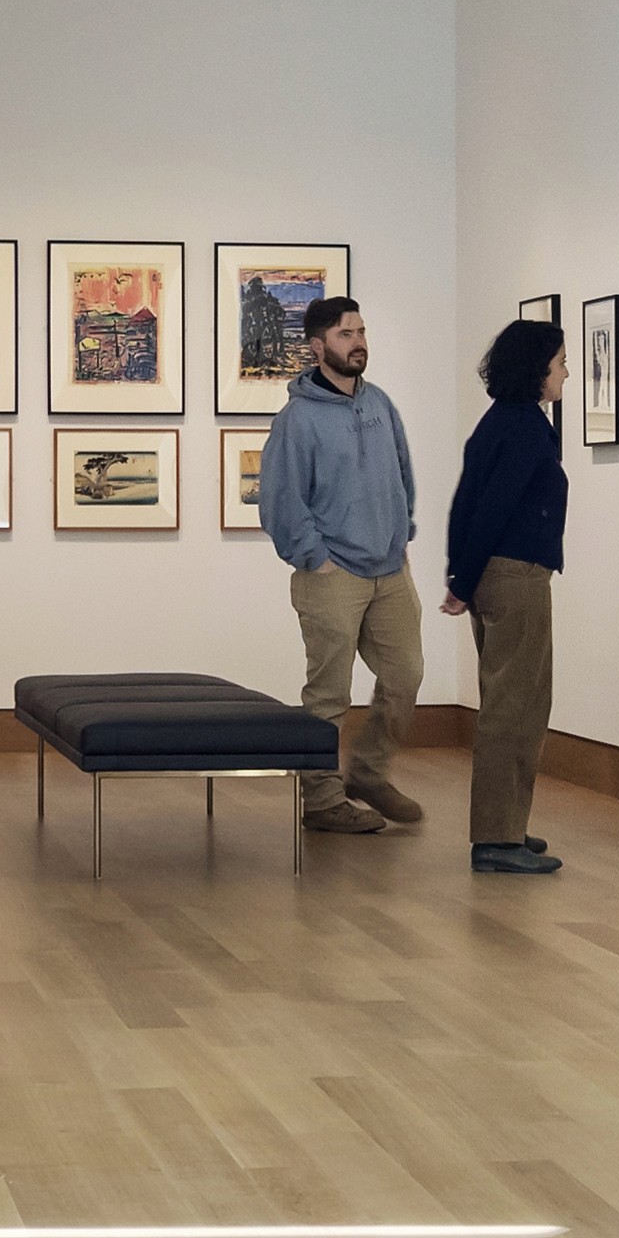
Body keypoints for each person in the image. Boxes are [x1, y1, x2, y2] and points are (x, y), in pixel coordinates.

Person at [256, 293, 424, 835]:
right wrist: (316, 559)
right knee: (329, 693)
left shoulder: (380, 405)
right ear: (317, 346)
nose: (359, 343)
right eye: (346, 334)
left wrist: (402, 536)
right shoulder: (297, 420)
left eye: (361, 332)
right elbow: (280, 500)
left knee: (405, 675)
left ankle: (369, 774)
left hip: (390, 570)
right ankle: (323, 799)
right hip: (332, 575)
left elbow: (403, 477)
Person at [442, 315, 568, 875]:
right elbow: (490, 508)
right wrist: (462, 582)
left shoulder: (499, 422)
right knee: (516, 707)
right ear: (537, 370)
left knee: (511, 703)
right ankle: (497, 837)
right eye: (561, 363)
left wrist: (461, 578)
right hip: (516, 577)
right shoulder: (524, 429)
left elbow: (465, 503)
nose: (566, 373)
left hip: (495, 575)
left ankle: (507, 825)